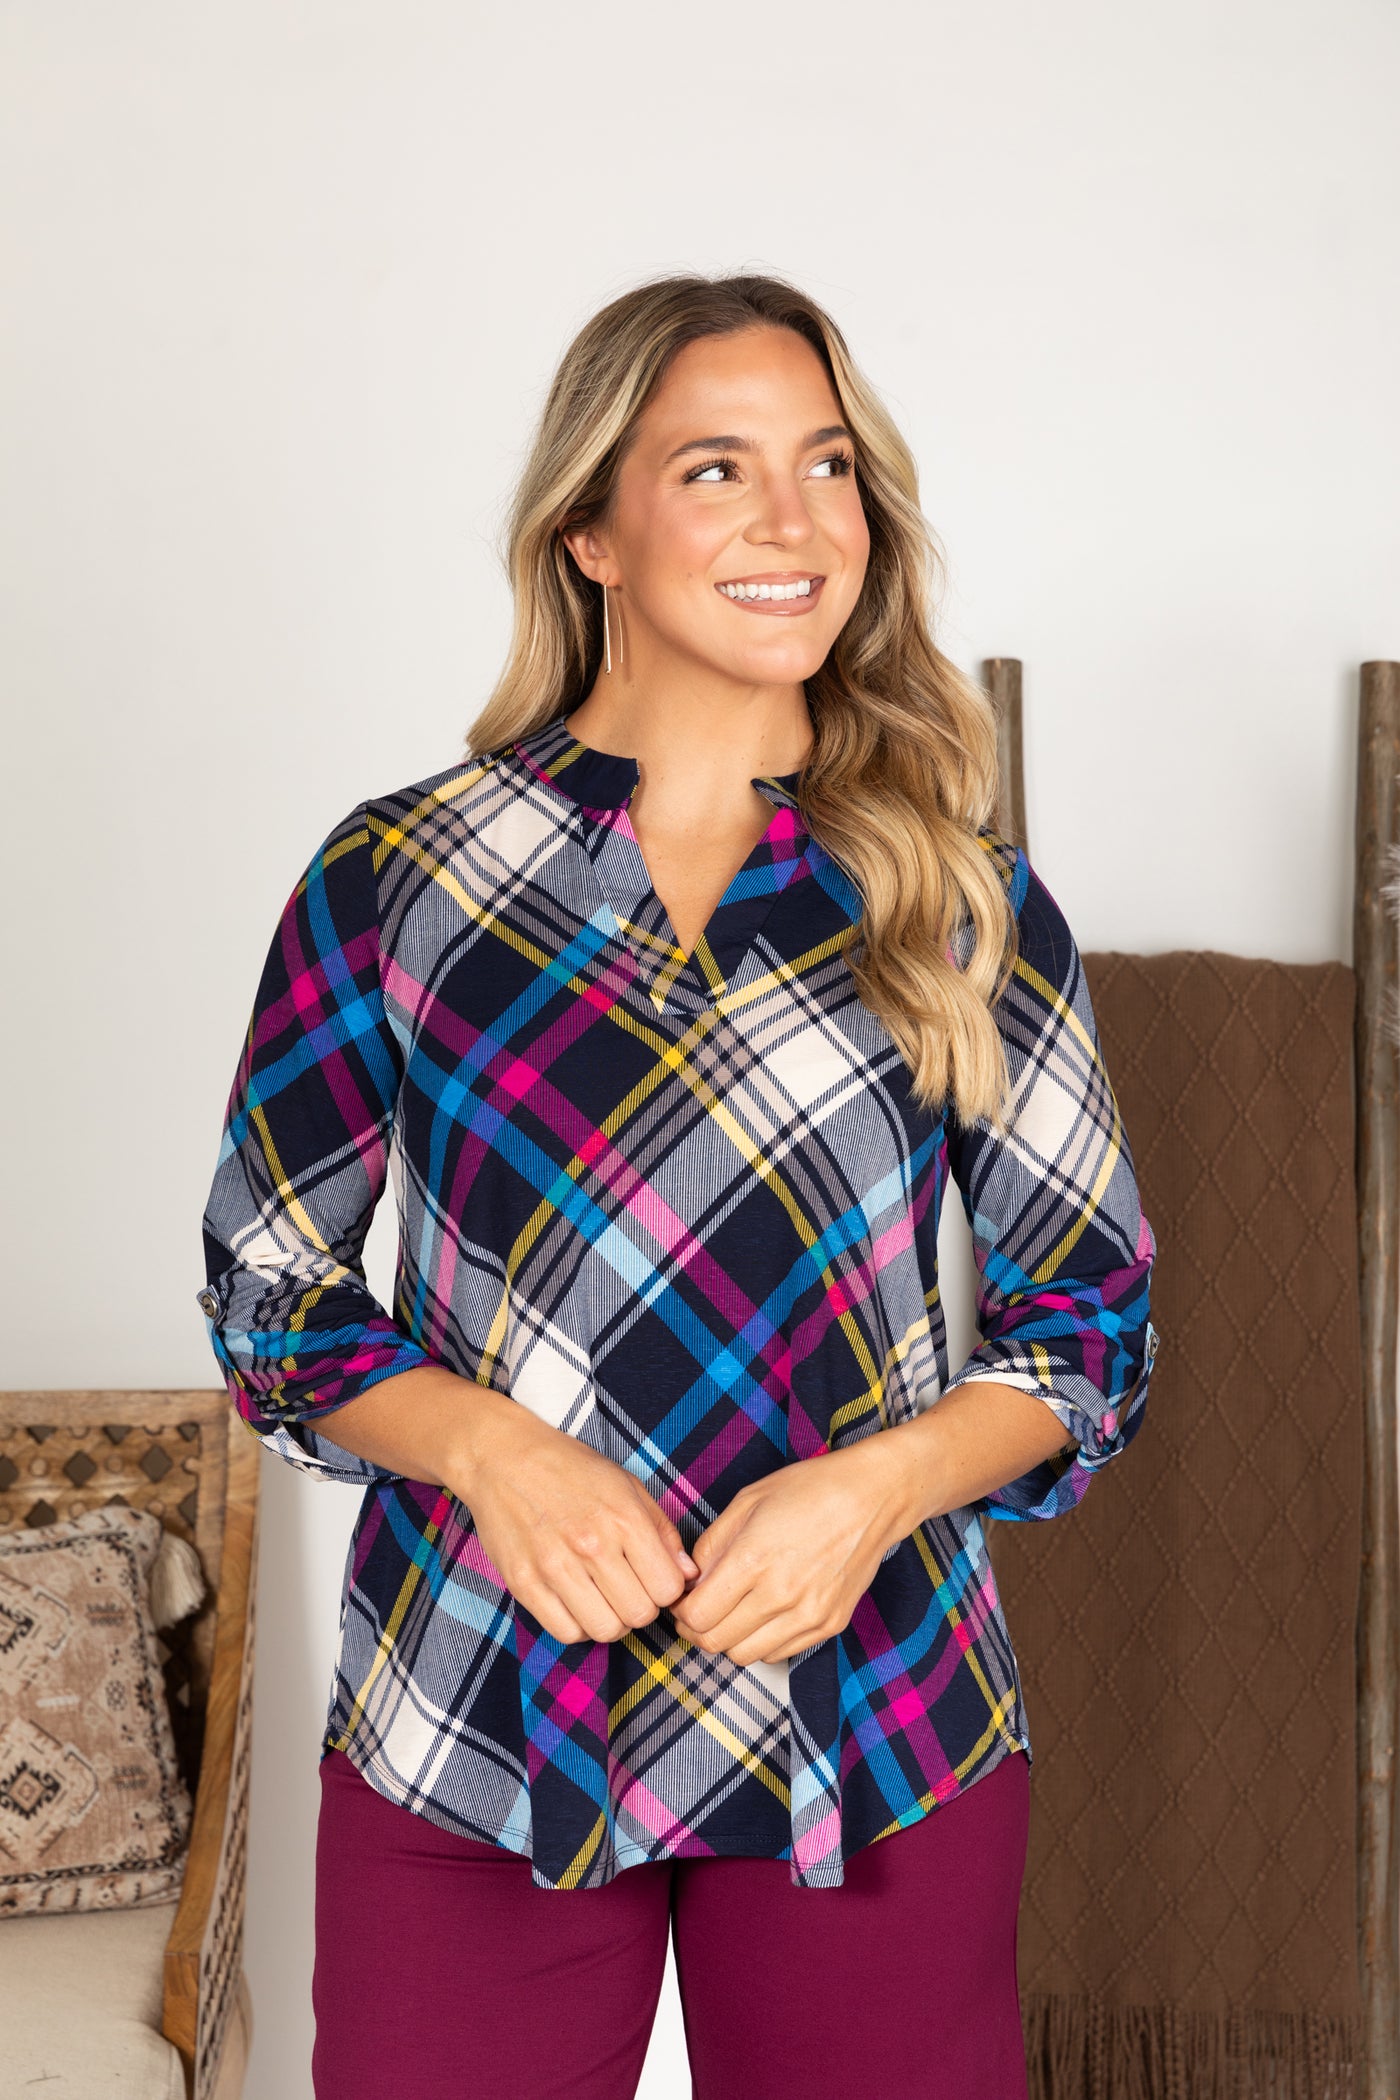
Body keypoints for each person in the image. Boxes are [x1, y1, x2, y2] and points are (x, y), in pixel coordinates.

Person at [196, 270, 1158, 2100]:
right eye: (717, 469)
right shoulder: (399, 878)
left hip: (877, 1719)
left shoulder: (963, 901)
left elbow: (1091, 1322)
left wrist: (874, 1492)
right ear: (592, 536)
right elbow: (270, 1292)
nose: (795, 521)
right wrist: (494, 1452)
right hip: (473, 1713)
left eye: (828, 467)